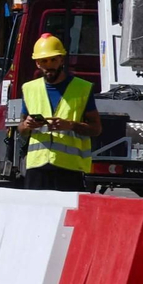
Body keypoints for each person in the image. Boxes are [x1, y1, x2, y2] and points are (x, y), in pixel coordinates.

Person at [17, 33, 100, 192]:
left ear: (62, 59)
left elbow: (96, 129)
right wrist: (27, 125)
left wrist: (70, 125)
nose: (49, 65)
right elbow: (21, 130)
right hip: (37, 167)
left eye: (53, 59)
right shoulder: (29, 89)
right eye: (44, 61)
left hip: (69, 169)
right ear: (37, 63)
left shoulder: (82, 88)